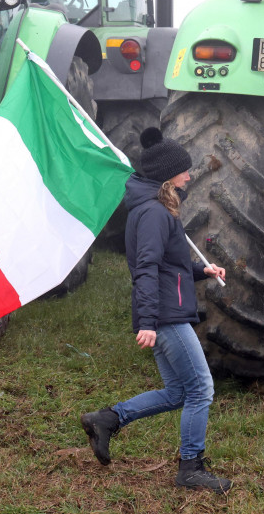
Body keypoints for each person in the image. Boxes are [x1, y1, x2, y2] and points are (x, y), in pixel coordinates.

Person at [80, 127, 231, 494]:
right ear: (168, 175)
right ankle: (190, 468)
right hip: (165, 316)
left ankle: (107, 419)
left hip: (166, 311)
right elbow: (146, 267)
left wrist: (202, 270)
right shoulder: (152, 213)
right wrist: (148, 321)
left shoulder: (159, 209)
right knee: (201, 389)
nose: (189, 176)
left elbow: (168, 264)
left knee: (179, 390)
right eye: (184, 170)